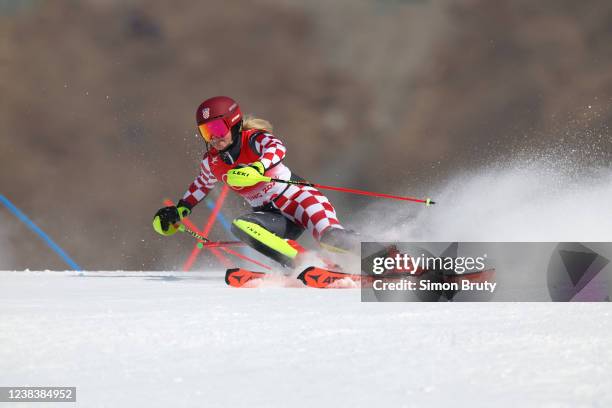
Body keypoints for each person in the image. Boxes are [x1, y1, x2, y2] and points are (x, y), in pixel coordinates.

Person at [153, 96, 360, 267]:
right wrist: (178, 212)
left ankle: (380, 258)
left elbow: (277, 148)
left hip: (299, 199)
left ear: (233, 123)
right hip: (273, 216)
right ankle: (307, 264)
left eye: (217, 128)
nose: (214, 138)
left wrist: (257, 168)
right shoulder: (212, 162)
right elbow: (201, 185)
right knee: (242, 226)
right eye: (207, 132)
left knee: (331, 239)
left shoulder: (253, 139)